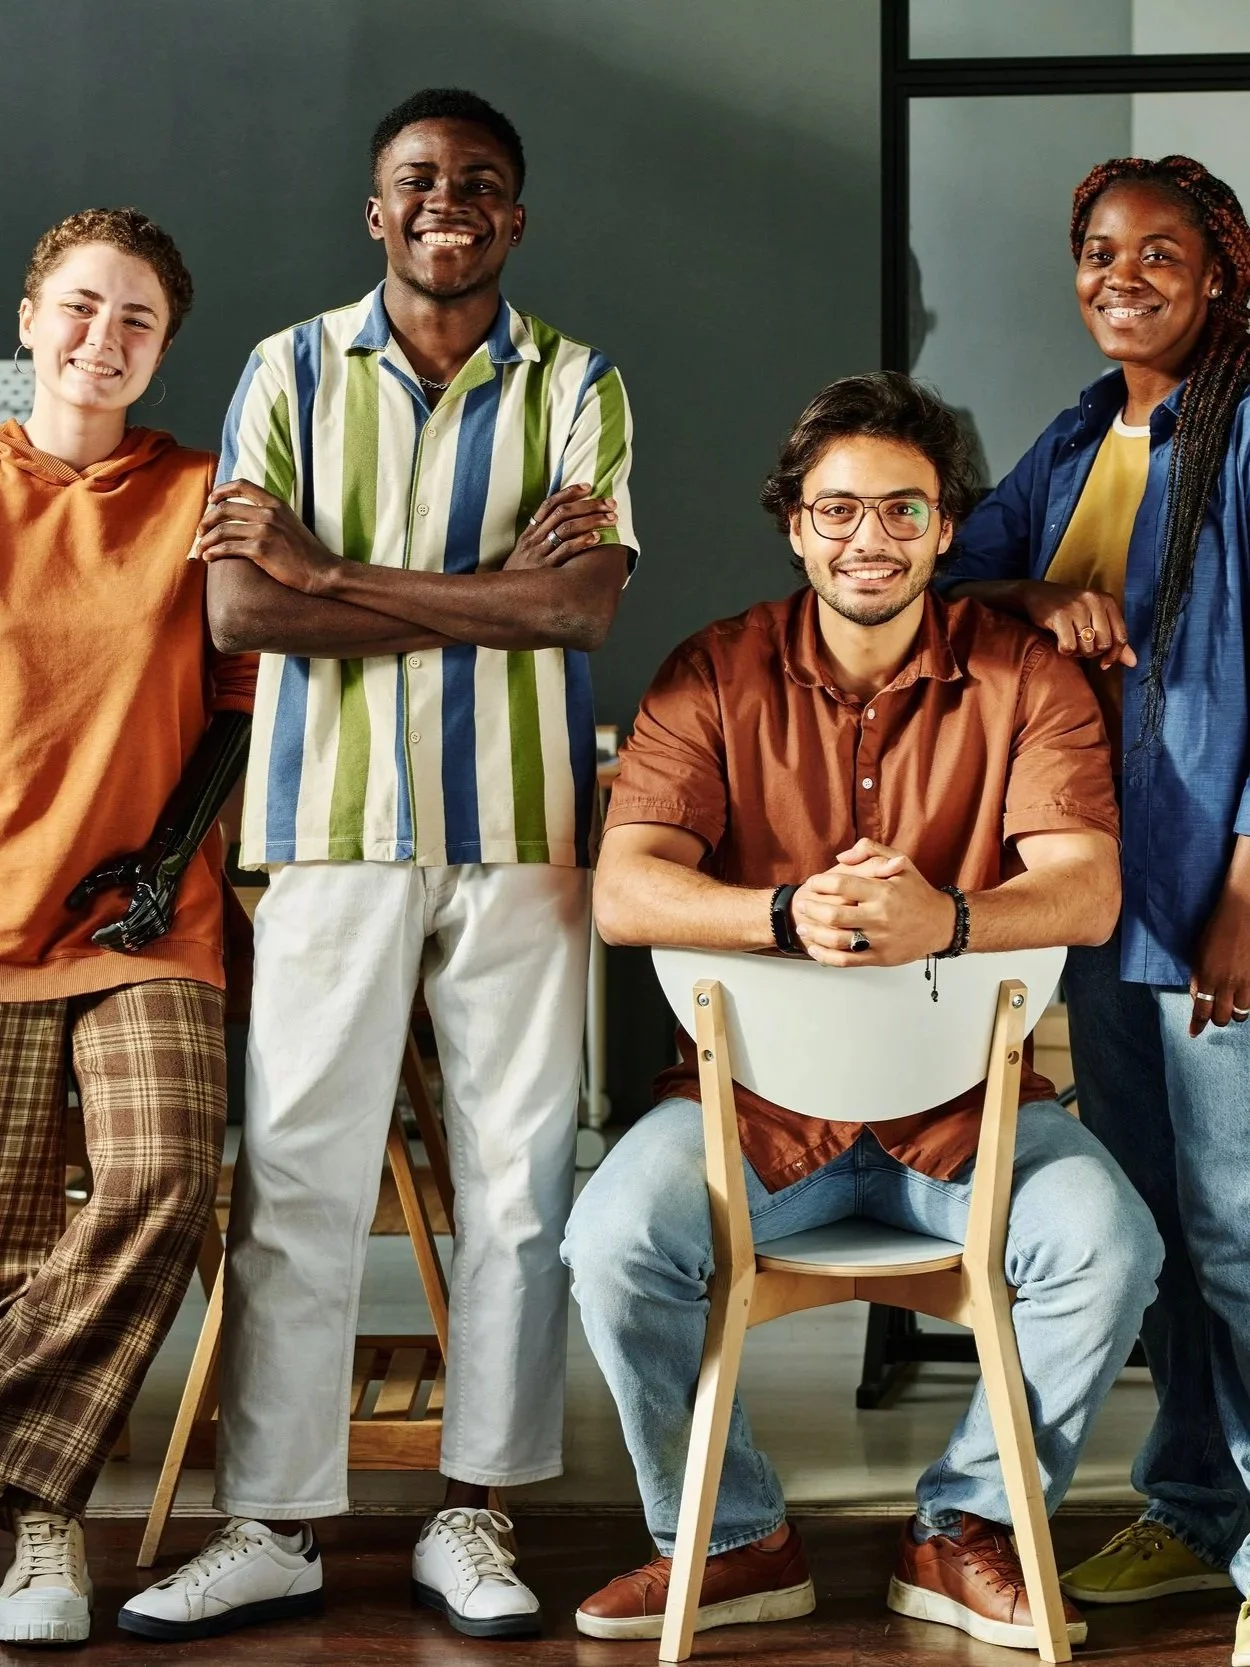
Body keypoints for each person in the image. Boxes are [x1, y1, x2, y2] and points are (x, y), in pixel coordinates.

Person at [121, 88, 636, 1643]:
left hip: (522, 826)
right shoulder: (285, 367)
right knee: (297, 1173)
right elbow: (240, 621)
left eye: (479, 181)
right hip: (328, 825)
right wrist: (488, 589)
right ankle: (271, 1520)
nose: (447, 201)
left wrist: (332, 569)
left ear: (515, 216)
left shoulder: (579, 379)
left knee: (520, 1180)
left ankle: (475, 1510)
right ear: (375, 210)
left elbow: (580, 611)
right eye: (417, 179)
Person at [561, 371, 1162, 1653]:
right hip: (754, 1111)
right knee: (612, 1243)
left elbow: (1086, 888)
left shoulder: (1026, 679)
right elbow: (624, 888)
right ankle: (728, 1538)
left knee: (1109, 1245)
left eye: (902, 511)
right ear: (793, 523)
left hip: (967, 1115)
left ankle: (964, 1525)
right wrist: (791, 913)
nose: (868, 539)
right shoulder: (708, 672)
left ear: (947, 529)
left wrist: (936, 917)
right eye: (837, 511)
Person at [943, 153, 1250, 1667]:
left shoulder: (1245, 427)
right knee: (1162, 1230)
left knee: (1247, 1226)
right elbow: (947, 575)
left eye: (1158, 251)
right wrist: (1034, 602)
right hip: (1099, 902)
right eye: (1095, 250)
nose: (1120, 274)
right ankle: (1193, 1507)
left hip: (1217, 898)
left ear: (1223, 266)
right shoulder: (1079, 438)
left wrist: (1248, 890)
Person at [0, 209, 255, 1646]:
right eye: (81, 309)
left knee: (160, 1175)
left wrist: (166, 857)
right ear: (30, 317)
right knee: (11, 1234)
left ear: (166, 349)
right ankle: (45, 1519)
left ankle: (22, 1489)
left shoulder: (204, 495)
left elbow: (237, 702)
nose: (104, 340)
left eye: (137, 320)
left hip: (146, 914)